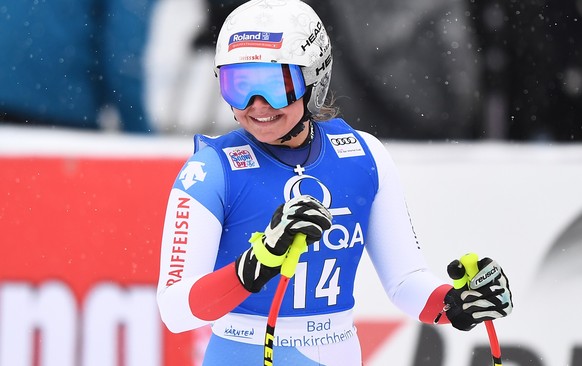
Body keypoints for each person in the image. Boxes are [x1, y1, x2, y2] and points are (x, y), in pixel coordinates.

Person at [156, 0, 514, 365]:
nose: (257, 105)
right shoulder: (209, 171)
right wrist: (260, 260)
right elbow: (176, 309)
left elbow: (405, 281)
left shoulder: (364, 156)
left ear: (315, 78)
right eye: (238, 84)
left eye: (276, 85)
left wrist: (457, 303)